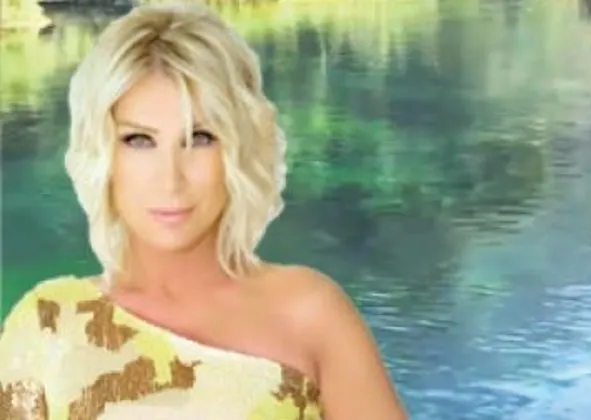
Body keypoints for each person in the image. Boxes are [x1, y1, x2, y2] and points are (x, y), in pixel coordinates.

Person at [0, 3, 408, 419]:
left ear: (239, 148)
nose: (171, 179)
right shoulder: (50, 325)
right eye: (139, 140)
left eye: (200, 138)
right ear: (103, 156)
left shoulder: (312, 314)